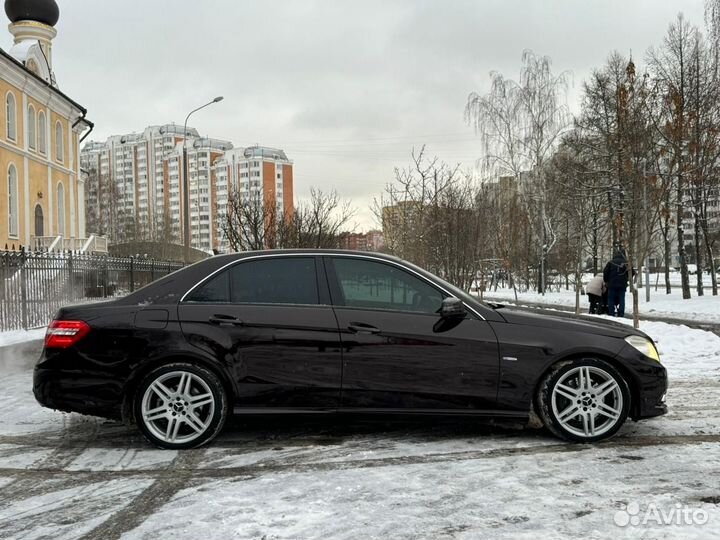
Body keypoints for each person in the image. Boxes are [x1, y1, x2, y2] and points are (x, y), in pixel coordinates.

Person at [603, 249, 631, 317]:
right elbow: (631, 272)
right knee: (622, 299)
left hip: (612, 284)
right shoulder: (626, 263)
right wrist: (626, 279)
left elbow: (605, 272)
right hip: (622, 284)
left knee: (611, 299)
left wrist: (606, 281)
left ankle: (611, 313)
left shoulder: (611, 262)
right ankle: (621, 314)